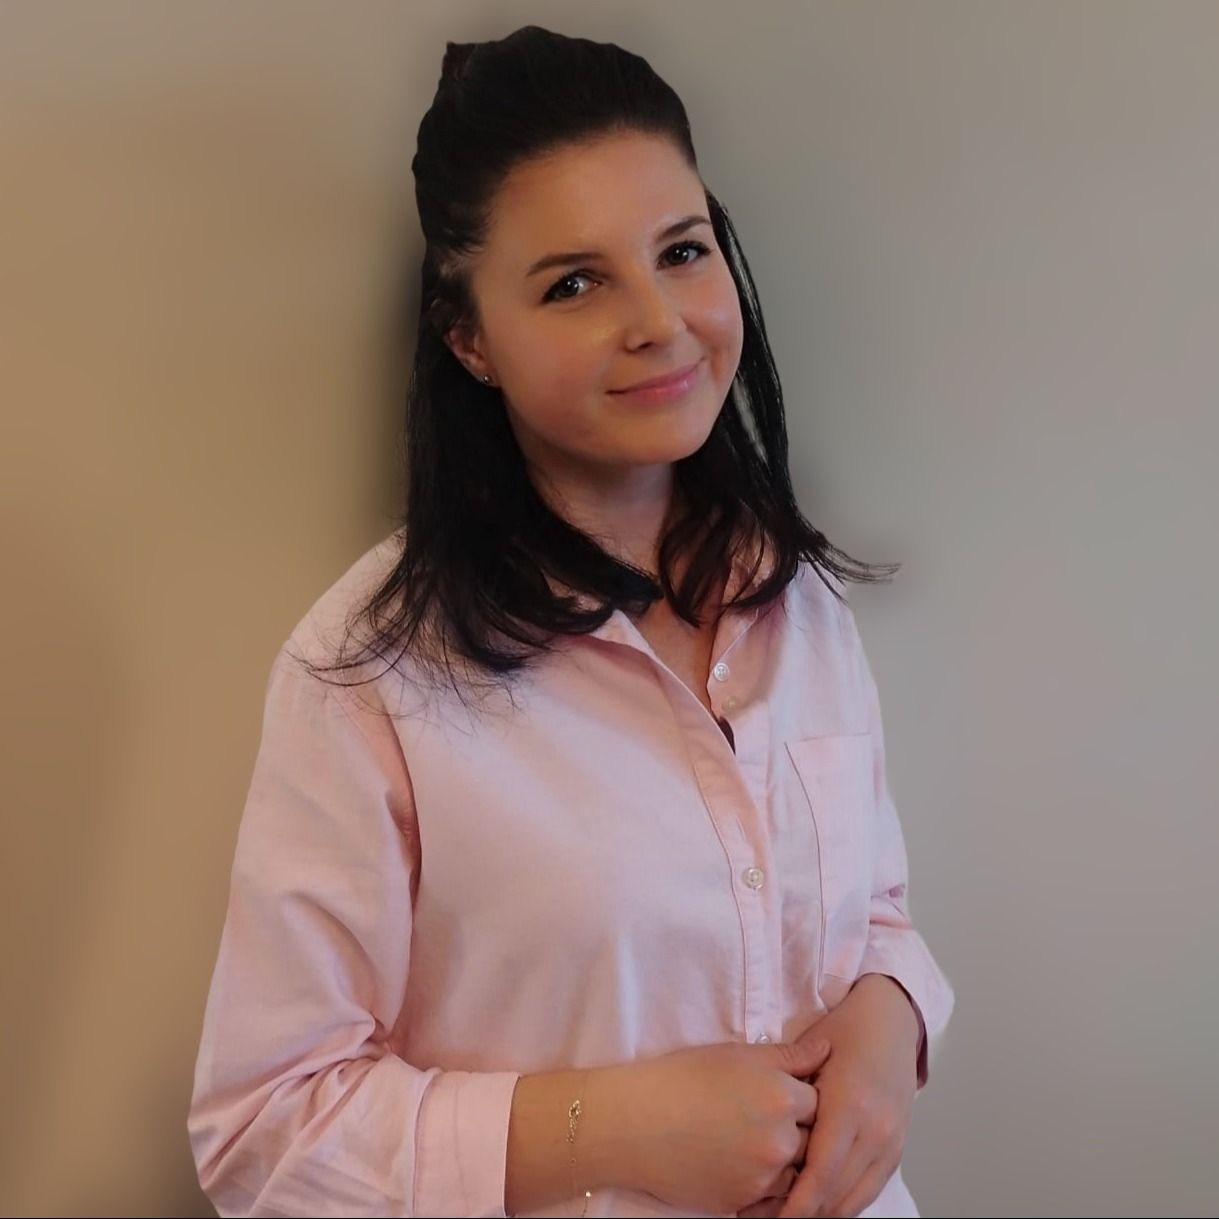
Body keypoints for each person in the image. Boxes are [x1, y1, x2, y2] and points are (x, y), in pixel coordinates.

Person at [187, 25, 954, 1219]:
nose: (659, 321)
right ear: (469, 340)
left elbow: (875, 915)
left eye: (682, 251)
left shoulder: (799, 596)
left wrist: (893, 1018)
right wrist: (616, 1129)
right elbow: (261, 1130)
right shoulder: (367, 675)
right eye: (574, 283)